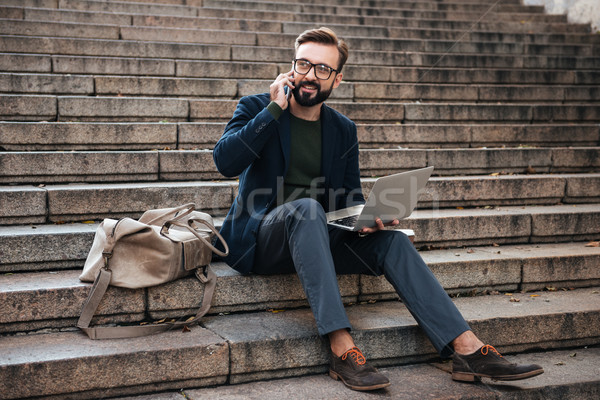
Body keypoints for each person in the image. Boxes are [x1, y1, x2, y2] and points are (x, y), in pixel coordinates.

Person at [213, 27, 544, 391]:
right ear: (292, 67)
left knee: (393, 242)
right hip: (263, 239)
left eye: (322, 69)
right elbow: (225, 161)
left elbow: (349, 197)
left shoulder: (342, 129)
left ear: (337, 79)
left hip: (317, 241)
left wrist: (368, 218)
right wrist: (274, 109)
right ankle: (342, 350)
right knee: (306, 209)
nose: (310, 75)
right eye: (303, 64)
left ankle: (467, 350)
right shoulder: (258, 108)